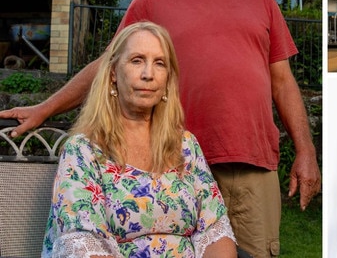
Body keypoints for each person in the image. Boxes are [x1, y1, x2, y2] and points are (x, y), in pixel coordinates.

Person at [1, 0, 321, 257]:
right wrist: (46, 108)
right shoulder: (151, 1)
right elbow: (109, 64)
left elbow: (283, 82)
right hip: (172, 160)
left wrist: (306, 151)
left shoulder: (261, 2)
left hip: (249, 162)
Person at [42, 21, 237, 257]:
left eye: (159, 63)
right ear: (113, 73)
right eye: (137, 61)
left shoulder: (185, 145)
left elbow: (216, 231)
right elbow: (83, 244)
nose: (148, 74)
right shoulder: (83, 151)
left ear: (167, 78)